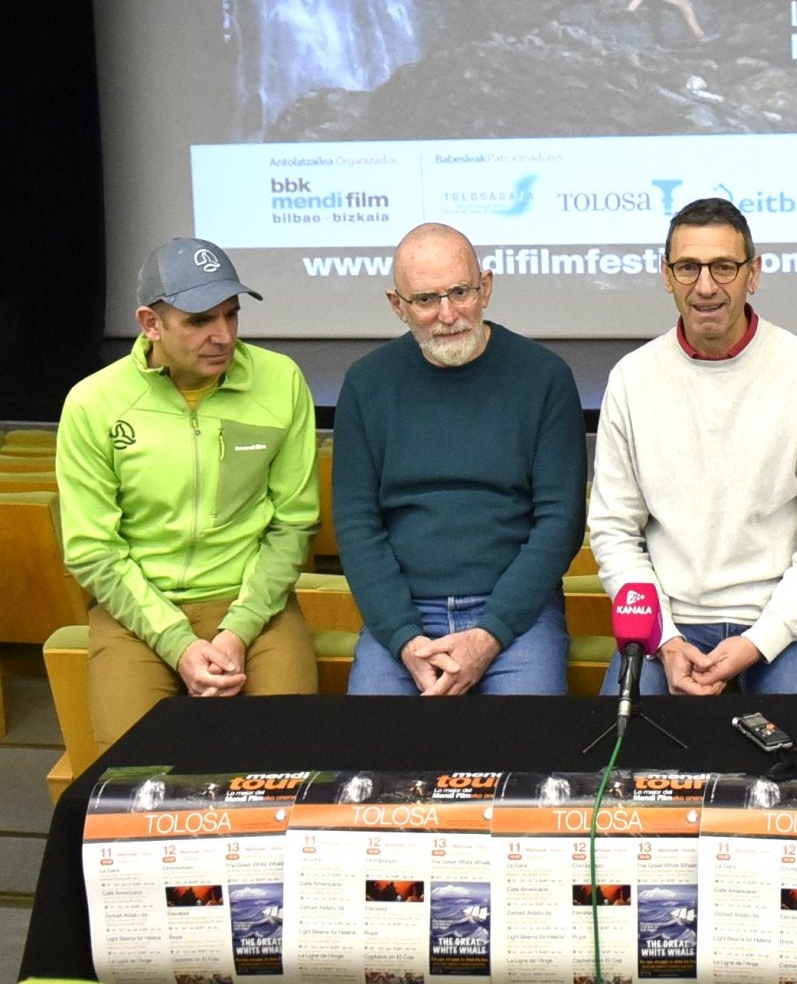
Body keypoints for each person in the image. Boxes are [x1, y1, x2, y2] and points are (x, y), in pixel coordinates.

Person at [589, 197, 797, 696]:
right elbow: (614, 531)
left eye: (724, 267)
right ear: (666, 276)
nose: (706, 286)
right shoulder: (632, 378)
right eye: (688, 268)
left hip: (788, 621)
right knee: (622, 766)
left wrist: (761, 639)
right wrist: (664, 639)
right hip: (669, 622)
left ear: (753, 274)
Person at [55, 237, 319, 747]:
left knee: (287, 759)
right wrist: (176, 642)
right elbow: (92, 549)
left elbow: (293, 523)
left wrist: (239, 630)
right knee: (137, 779)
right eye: (199, 320)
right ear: (150, 324)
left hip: (253, 604)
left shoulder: (281, 381)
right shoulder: (93, 403)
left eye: (231, 315)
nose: (223, 335)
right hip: (138, 609)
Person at [333, 222, 585, 696]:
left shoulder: (544, 377)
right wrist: (404, 638)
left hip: (516, 613)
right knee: (370, 754)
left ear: (485, 287)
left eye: (460, 292)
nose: (447, 314)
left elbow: (561, 521)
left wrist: (491, 634)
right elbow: (356, 525)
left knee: (527, 754)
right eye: (426, 300)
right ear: (397, 306)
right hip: (404, 613)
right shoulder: (367, 384)